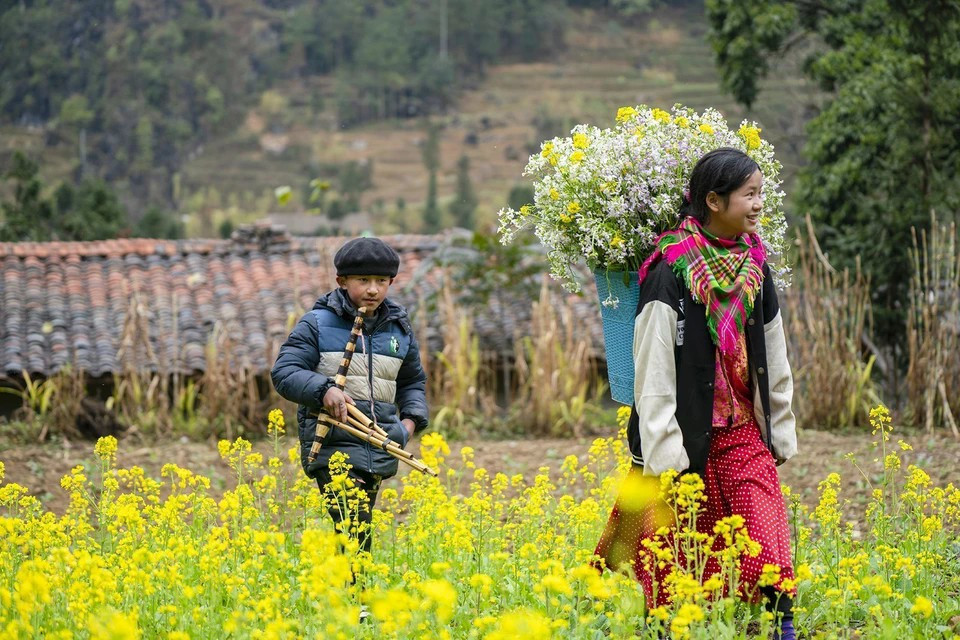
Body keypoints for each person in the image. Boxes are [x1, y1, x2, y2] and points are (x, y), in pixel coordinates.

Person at [594, 148, 798, 640]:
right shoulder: (669, 271)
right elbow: (654, 366)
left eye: (760, 194)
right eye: (749, 195)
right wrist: (663, 449)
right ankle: (670, 629)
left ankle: (781, 626)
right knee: (676, 555)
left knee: (765, 533)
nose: (757, 205)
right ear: (713, 200)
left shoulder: (755, 265)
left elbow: (774, 352)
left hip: (742, 431)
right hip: (684, 437)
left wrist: (779, 427)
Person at [271, 236, 429, 555]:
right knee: (354, 524)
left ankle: (349, 597)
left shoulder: (398, 330)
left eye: (381, 281)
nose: (373, 289)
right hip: (334, 444)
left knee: (358, 529)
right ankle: (360, 601)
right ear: (342, 281)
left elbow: (413, 383)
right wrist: (324, 389)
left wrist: (408, 426)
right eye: (363, 280)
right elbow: (284, 372)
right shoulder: (317, 323)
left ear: (391, 282)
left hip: (380, 442)